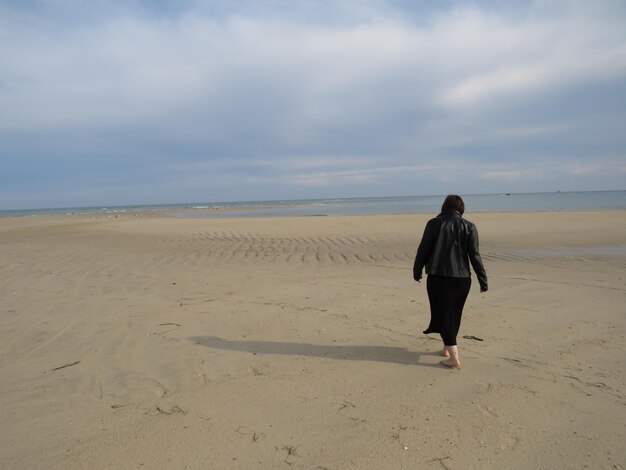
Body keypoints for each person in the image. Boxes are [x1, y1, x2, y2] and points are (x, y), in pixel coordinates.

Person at [413, 195, 488, 368]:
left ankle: (454, 358)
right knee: (453, 313)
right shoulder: (470, 226)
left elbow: (423, 249)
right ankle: (447, 348)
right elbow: (475, 256)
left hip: (438, 277)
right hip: (462, 279)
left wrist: (417, 270)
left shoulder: (434, 224)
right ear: (461, 209)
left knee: (443, 314)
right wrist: (483, 280)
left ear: (444, 207)